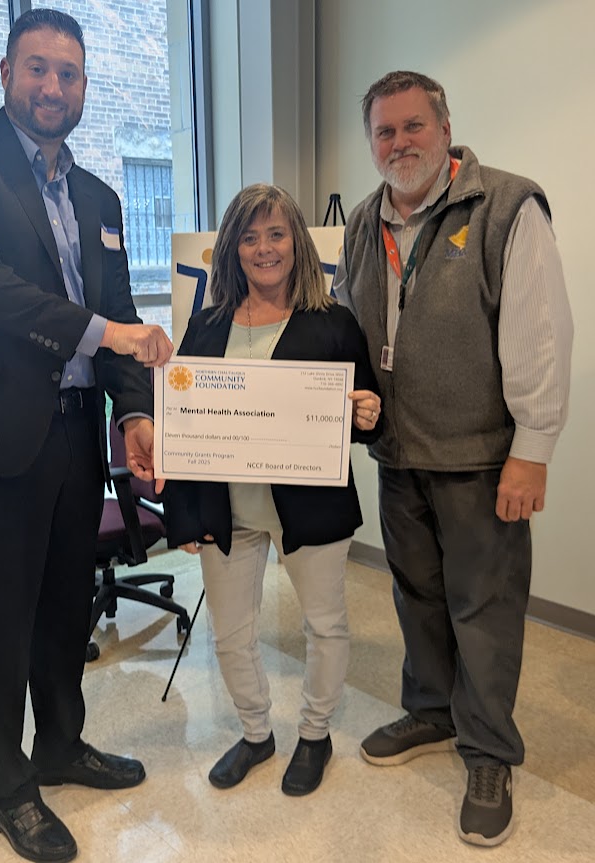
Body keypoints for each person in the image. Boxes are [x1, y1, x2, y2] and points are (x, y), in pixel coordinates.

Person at [0, 10, 173, 863]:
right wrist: (106, 333)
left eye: (70, 74)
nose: (53, 87)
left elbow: (120, 315)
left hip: (74, 434)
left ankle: (60, 744)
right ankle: (7, 788)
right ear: (6, 71)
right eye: (38, 69)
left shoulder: (101, 197)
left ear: (85, 85)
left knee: (61, 605)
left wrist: (134, 412)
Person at [333, 70, 573, 847]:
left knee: (484, 609)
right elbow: (343, 326)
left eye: (413, 126)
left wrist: (531, 450)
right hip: (398, 453)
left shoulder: (507, 206)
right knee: (418, 596)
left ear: (445, 127)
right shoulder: (365, 220)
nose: (399, 143)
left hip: (480, 456)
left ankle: (490, 752)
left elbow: (540, 334)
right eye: (384, 132)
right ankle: (431, 709)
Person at [163, 183, 382, 797]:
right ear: (232, 250)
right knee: (229, 633)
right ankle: (257, 733)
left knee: (326, 626)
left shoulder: (333, 323)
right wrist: (183, 516)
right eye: (250, 237)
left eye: (277, 234)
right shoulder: (204, 326)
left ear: (298, 244)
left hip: (309, 506)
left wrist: (367, 411)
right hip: (226, 509)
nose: (264, 248)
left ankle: (315, 734)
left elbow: (369, 412)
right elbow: (185, 421)